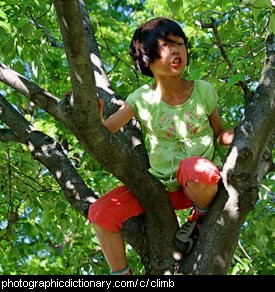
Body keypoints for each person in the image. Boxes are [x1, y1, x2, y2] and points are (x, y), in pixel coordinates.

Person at [88, 17, 234, 275]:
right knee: (99, 213)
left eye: (180, 44)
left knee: (196, 168)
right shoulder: (142, 98)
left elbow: (219, 133)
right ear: (146, 58)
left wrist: (237, 136)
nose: (177, 50)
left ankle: (197, 220)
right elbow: (105, 132)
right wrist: (95, 117)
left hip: (199, 186)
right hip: (159, 187)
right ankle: (122, 276)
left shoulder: (203, 91)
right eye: (167, 45)